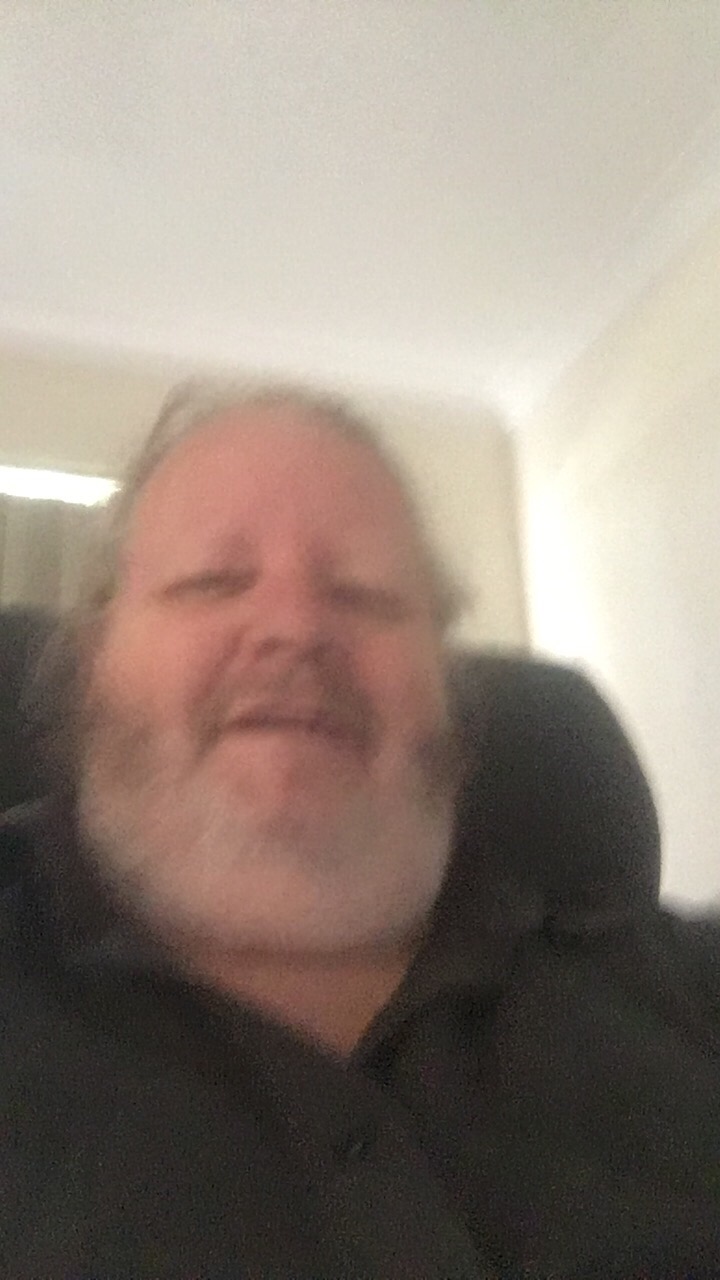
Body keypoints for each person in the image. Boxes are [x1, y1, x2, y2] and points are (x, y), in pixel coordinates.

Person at [1, 382, 719, 1279]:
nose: (296, 627)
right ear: (91, 664)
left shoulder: (688, 999)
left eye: (365, 593)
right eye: (212, 581)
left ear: (448, 688)